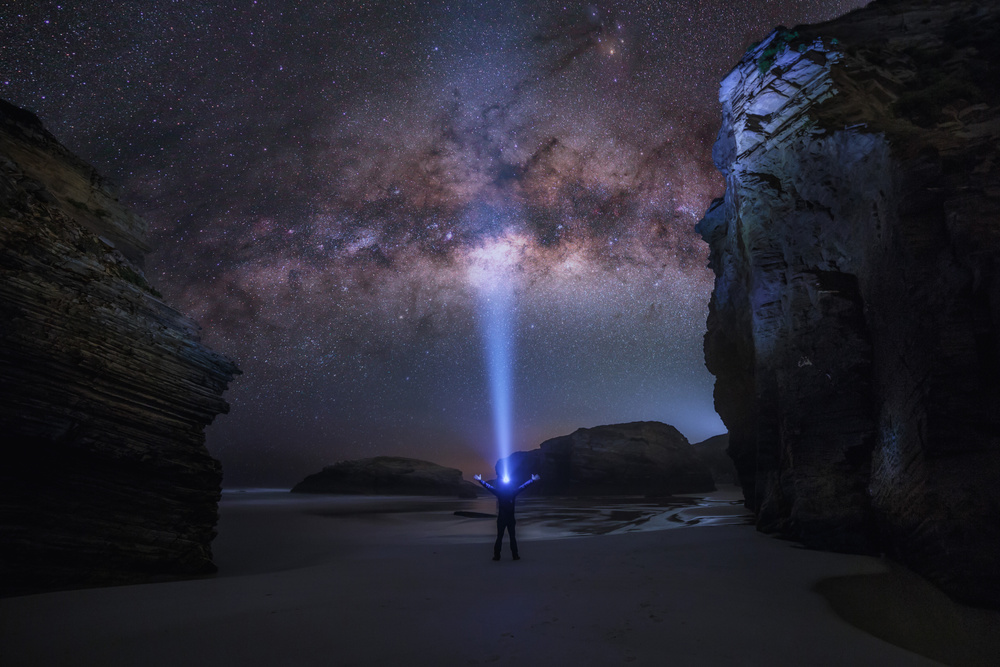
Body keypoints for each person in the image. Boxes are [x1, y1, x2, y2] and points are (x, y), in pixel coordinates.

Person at [474, 473, 540, 561]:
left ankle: (497, 556)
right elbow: (523, 487)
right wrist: (532, 480)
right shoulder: (512, 493)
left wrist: (480, 480)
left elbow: (489, 487)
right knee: (511, 537)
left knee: (500, 537)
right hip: (510, 519)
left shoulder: (501, 493)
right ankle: (515, 555)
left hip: (502, 519)